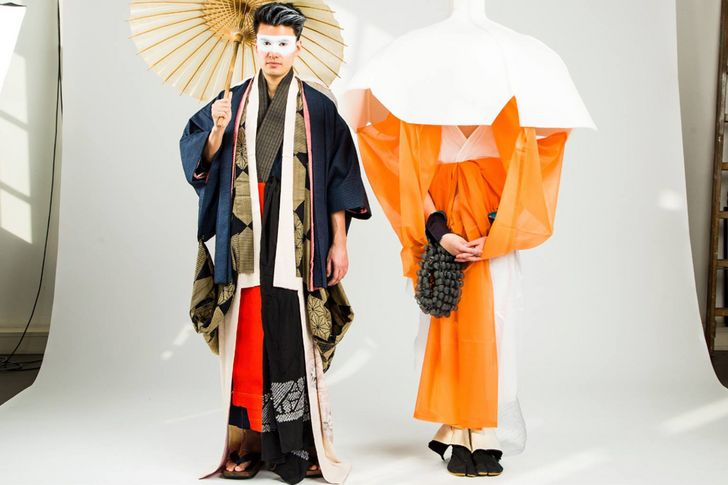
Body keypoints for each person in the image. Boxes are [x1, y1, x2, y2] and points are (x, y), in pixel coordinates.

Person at [180, 3, 370, 483]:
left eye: (283, 43)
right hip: (245, 229)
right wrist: (217, 131)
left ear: (297, 48)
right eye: (266, 42)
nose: (274, 52)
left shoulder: (318, 108)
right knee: (248, 334)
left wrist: (339, 242)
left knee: (291, 331)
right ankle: (246, 441)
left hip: (298, 234)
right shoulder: (230, 101)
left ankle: (302, 441)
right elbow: (200, 164)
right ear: (254, 44)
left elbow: (338, 178)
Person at [355, 101, 570, 477]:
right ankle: (457, 430)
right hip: (444, 250)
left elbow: (525, 183)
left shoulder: (510, 118)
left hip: (493, 248)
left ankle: (482, 431)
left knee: (494, 333)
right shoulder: (421, 116)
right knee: (446, 335)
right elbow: (409, 180)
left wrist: (498, 238)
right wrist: (443, 235)